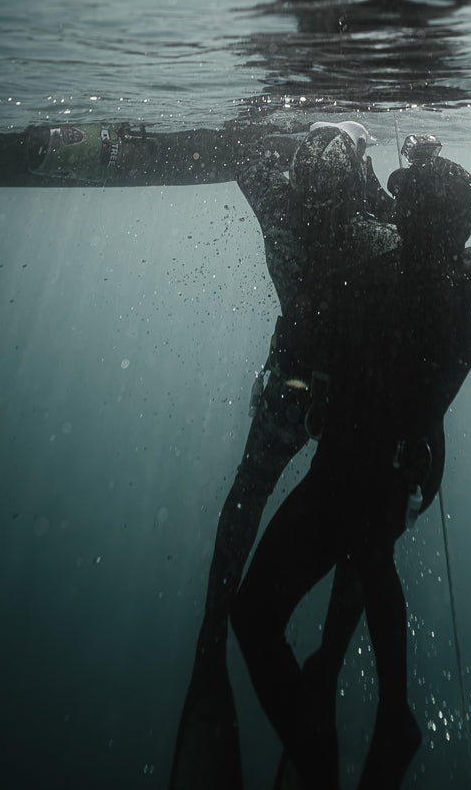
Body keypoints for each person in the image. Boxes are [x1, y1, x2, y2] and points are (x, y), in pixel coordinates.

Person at [231, 147, 471, 790]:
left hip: (340, 481)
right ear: (470, 225)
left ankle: (320, 749)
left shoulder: (363, 288)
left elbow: (306, 336)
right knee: (373, 555)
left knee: (256, 615)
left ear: (399, 214)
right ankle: (392, 712)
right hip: (408, 476)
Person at [169, 119, 401, 790]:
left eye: (336, 145)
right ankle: (318, 663)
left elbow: (248, 153)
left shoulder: (294, 200)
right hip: (344, 405)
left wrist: (269, 126)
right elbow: (439, 258)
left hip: (302, 390)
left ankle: (227, 641)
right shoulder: (379, 225)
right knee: (359, 526)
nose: (326, 154)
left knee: (254, 494)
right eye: (322, 143)